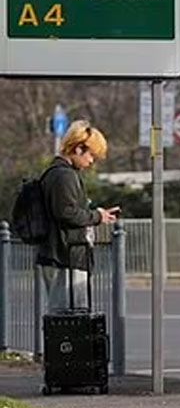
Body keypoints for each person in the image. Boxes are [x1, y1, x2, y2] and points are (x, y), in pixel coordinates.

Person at [36, 121, 119, 311]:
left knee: (66, 313)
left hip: (63, 253)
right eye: (92, 156)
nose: (92, 162)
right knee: (67, 314)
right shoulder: (64, 176)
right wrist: (96, 217)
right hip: (66, 255)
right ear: (79, 148)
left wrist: (97, 215)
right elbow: (66, 213)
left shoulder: (57, 173)